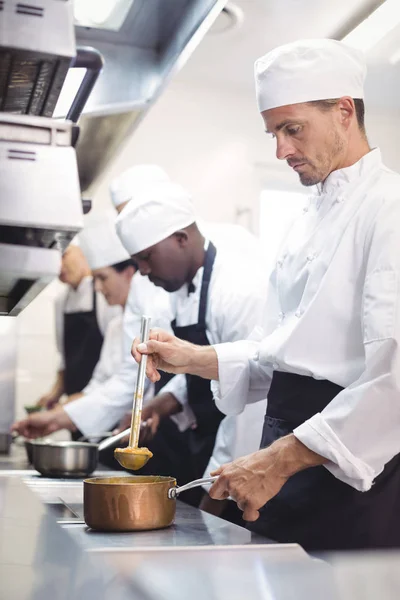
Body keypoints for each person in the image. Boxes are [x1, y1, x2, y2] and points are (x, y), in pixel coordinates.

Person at [131, 39, 400, 551]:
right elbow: (277, 352)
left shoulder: (391, 209)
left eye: (291, 128)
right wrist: (191, 358)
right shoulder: (305, 220)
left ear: (344, 111)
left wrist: (279, 459)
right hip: (288, 457)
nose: (280, 151)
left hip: (352, 471)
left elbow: (395, 379)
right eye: (273, 132)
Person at [116, 180, 269, 509]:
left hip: (246, 461)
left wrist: (217, 491)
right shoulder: (182, 290)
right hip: (210, 442)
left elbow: (252, 395)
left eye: (146, 257)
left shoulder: (238, 290)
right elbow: (208, 364)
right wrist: (163, 403)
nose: (141, 271)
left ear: (181, 239)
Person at [13, 212, 136, 439]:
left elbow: (125, 385)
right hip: (86, 407)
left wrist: (61, 414)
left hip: (116, 417)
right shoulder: (66, 303)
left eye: (65, 255)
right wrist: (59, 408)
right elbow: (98, 379)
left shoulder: (121, 309)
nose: (99, 287)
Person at [36, 243, 119, 410]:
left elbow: (114, 361)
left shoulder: (105, 296)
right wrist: (55, 393)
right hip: (73, 403)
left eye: (64, 255)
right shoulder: (60, 302)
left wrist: (82, 399)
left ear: (83, 253)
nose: (59, 264)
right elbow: (65, 358)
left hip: (103, 400)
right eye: (54, 258)